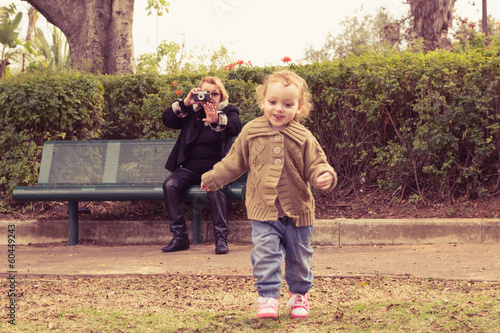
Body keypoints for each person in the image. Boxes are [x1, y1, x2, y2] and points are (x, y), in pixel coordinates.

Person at [201, 70, 337, 319]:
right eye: (273, 102)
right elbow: (234, 162)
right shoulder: (252, 131)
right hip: (264, 213)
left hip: (298, 213)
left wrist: (323, 174)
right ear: (263, 101)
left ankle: (299, 296)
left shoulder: (303, 136)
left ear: (299, 108)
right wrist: (213, 178)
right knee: (265, 255)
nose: (279, 109)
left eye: (287, 104)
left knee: (299, 259)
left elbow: (316, 163)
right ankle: (268, 297)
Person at [161, 77, 242, 254]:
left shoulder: (229, 111)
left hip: (217, 169)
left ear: (221, 96)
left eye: (215, 93)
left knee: (215, 186)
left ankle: (221, 238)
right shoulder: (191, 111)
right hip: (189, 168)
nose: (211, 97)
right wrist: (185, 102)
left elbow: (235, 127)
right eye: (206, 93)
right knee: (170, 185)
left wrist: (216, 120)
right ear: (198, 93)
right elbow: (167, 120)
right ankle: (180, 236)